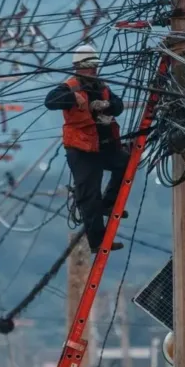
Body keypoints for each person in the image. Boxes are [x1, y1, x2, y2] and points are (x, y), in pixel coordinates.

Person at [44, 44, 129, 254]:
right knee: (89, 195)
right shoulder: (69, 87)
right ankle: (98, 242)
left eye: (94, 66)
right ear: (79, 67)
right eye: (90, 66)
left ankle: (109, 203)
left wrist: (107, 106)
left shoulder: (102, 87)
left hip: (102, 146)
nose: (94, 70)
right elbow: (50, 101)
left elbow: (118, 105)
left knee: (125, 162)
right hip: (81, 149)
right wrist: (73, 98)